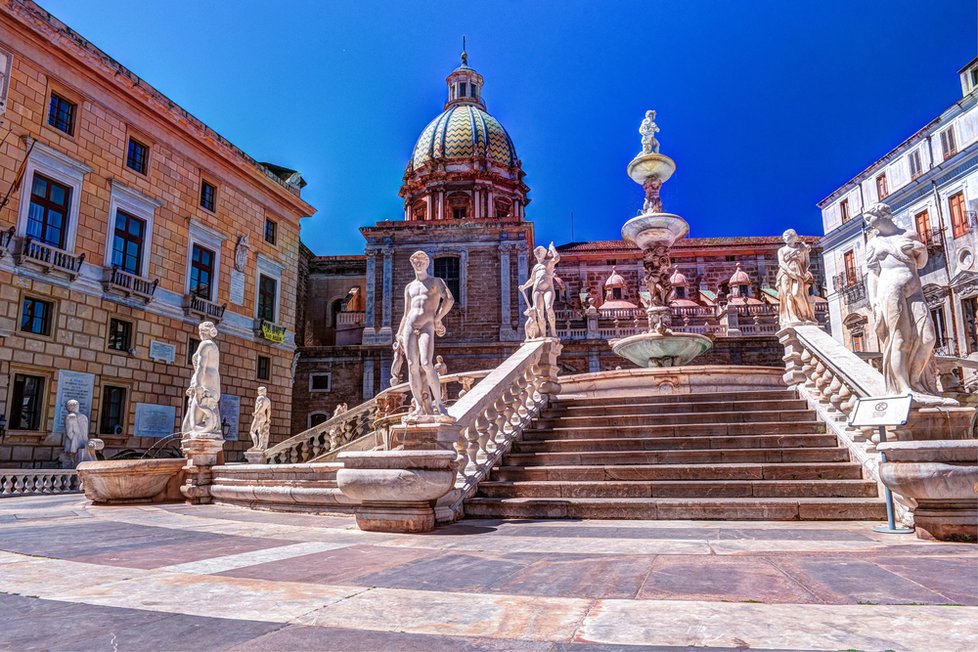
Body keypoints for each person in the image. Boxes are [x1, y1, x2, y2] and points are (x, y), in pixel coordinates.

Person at [864, 204, 941, 399]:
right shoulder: (873, 243)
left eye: (869, 218)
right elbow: (872, 274)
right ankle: (903, 386)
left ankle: (915, 380)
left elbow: (921, 263)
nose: (867, 224)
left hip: (914, 287)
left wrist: (922, 249)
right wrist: (874, 300)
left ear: (882, 215)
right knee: (900, 339)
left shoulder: (909, 235)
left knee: (928, 337)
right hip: (890, 288)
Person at [394, 251, 455, 418]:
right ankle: (419, 406)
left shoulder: (436, 282)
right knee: (412, 365)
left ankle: (439, 405)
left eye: (422, 260)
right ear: (411, 263)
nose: (418, 262)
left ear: (428, 262)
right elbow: (406, 313)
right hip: (409, 326)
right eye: (415, 260)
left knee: (427, 363)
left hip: (427, 325)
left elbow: (449, 299)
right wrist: (398, 334)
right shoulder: (409, 287)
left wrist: (437, 319)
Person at [182, 321, 222, 438]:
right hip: (214, 383)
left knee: (193, 425)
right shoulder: (214, 346)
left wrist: (198, 385)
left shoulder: (204, 345)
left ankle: (199, 447)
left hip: (204, 383)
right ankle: (212, 434)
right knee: (206, 414)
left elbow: (201, 367)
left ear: (201, 332)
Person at [776, 228, 817, 326]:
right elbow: (781, 262)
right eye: (784, 236)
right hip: (785, 273)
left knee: (797, 294)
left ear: (794, 237)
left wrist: (806, 250)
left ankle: (806, 316)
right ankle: (793, 316)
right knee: (788, 295)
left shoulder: (800, 249)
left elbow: (806, 261)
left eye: (787, 236)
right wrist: (789, 271)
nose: (785, 238)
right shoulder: (781, 250)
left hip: (798, 272)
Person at [519, 242, 560, 339]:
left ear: (545, 253)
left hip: (548, 288)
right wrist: (524, 286)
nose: (539, 253)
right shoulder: (535, 267)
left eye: (541, 251)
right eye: (537, 252)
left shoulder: (548, 263)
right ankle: (543, 334)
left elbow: (557, 258)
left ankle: (553, 331)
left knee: (549, 307)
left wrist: (552, 248)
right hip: (536, 289)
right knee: (539, 313)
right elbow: (532, 280)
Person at [64, 399, 91, 467]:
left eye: (67, 406)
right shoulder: (84, 417)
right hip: (83, 444)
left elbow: (69, 433)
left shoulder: (70, 417)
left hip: (73, 445)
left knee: (70, 465)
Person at [248, 387, 271, 451]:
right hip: (264, 417)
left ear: (261, 391)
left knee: (252, 431)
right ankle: (261, 446)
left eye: (258, 391)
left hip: (259, 416)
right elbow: (269, 411)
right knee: (260, 432)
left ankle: (255, 445)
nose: (257, 392)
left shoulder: (260, 397)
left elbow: (260, 405)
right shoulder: (268, 400)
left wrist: (256, 412)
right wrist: (268, 419)